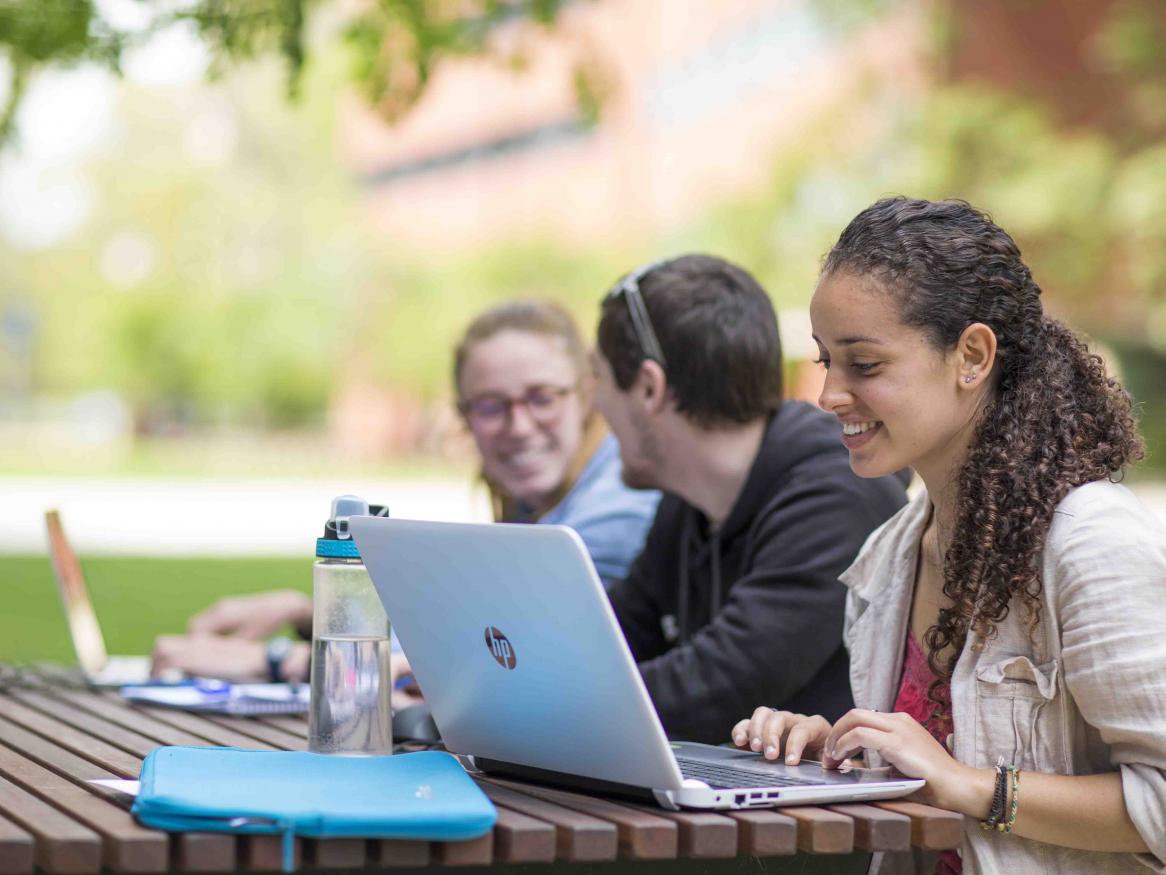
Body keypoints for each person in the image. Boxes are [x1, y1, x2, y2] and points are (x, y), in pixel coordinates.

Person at [732, 197, 1166, 873]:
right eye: (826, 361)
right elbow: (926, 769)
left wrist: (971, 785)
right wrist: (838, 752)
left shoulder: (1092, 544)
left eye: (864, 365)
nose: (828, 395)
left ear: (971, 355)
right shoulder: (889, 555)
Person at [151, 300, 660, 682]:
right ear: (465, 418)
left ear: (587, 397)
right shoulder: (544, 505)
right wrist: (309, 612)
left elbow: (492, 661)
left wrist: (277, 660)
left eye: (541, 398)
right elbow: (463, 627)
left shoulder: (616, 508)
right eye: (490, 406)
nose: (519, 426)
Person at [591, 253, 909, 744]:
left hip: (840, 819)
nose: (595, 404)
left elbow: (715, 691)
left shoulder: (838, 490)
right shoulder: (689, 503)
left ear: (649, 387)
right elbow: (610, 640)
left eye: (600, 379)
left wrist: (531, 710)